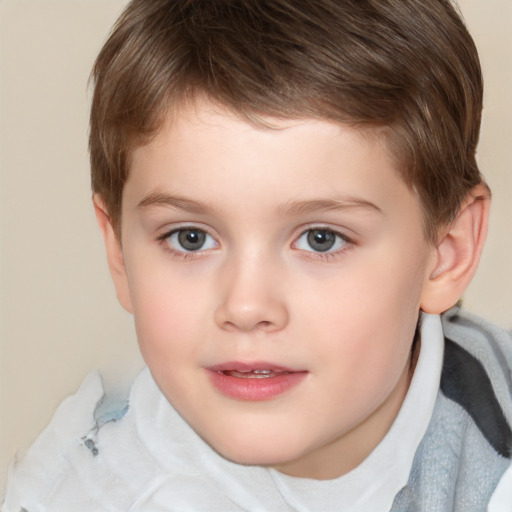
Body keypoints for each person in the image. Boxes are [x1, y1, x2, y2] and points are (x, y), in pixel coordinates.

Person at [2, 0, 511, 510]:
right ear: (119, 252)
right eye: (190, 238)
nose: (246, 307)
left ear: (446, 252)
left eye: (321, 239)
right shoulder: (80, 493)